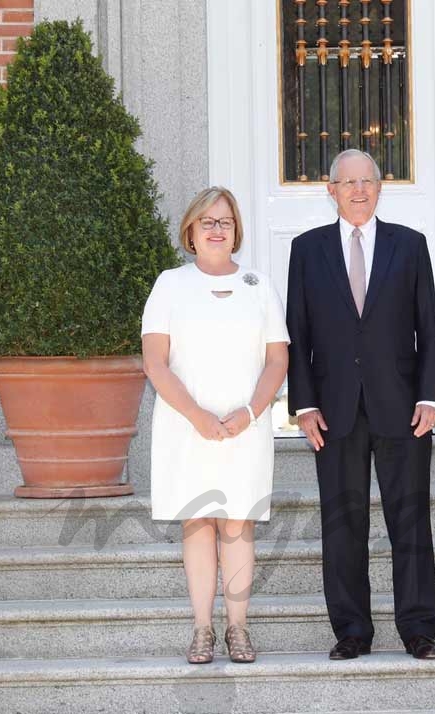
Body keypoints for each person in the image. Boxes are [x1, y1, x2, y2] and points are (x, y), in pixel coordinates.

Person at [286, 149, 435, 661]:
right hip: (333, 410)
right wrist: (304, 405)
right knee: (342, 523)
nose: (358, 190)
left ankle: (418, 629)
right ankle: (351, 630)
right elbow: (298, 332)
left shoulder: (410, 245)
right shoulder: (306, 250)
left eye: (367, 181)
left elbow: (429, 327)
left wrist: (430, 396)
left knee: (410, 520)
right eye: (347, 182)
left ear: (381, 187)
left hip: (402, 406)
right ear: (329, 190)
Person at [141, 186, 290, 664]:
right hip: (187, 426)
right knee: (199, 521)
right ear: (190, 231)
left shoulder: (258, 285)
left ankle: (238, 629)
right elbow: (156, 363)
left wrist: (250, 412)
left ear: (236, 231)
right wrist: (198, 416)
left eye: (225, 221)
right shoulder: (169, 284)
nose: (216, 228)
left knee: (238, 522)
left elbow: (277, 359)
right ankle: (203, 629)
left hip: (245, 425)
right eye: (207, 221)